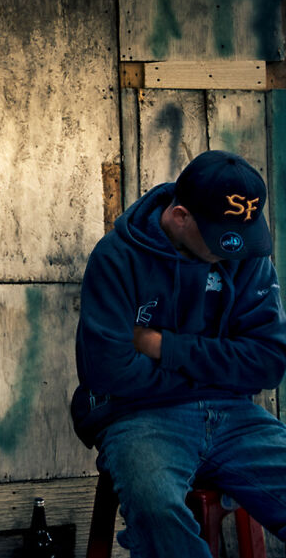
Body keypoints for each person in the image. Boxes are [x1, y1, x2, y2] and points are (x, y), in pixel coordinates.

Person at [71, 149, 286, 556]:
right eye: (221, 239)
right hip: (140, 416)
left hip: (235, 417)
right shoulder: (117, 258)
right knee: (158, 512)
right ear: (181, 216)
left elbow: (268, 363)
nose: (233, 253)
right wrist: (222, 366)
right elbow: (108, 371)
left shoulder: (246, 257)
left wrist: (162, 346)